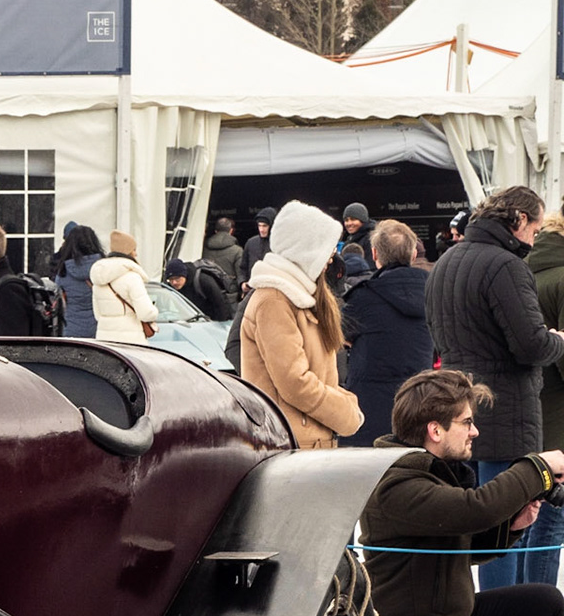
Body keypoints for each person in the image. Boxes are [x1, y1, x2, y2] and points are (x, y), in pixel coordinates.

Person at [365, 368, 564, 616]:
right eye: (467, 422)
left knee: (545, 604)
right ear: (435, 430)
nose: (474, 432)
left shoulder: (432, 473)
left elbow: (463, 544)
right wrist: (537, 467)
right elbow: (475, 510)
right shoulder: (397, 484)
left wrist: (512, 527)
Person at [426, 185, 564, 590]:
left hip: (457, 407)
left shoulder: (448, 260)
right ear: (519, 220)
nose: (535, 240)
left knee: (484, 523)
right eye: (535, 230)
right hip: (505, 412)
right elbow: (531, 344)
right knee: (505, 523)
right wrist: (558, 339)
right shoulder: (505, 265)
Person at [238, 202, 360, 449]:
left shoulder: (299, 298)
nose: (330, 259)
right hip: (291, 447)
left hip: (305, 444)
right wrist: (346, 412)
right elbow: (295, 383)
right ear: (306, 250)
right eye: (326, 249)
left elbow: (316, 378)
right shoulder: (273, 300)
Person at [342, 220, 433, 447]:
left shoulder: (363, 298)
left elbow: (340, 336)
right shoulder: (434, 294)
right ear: (413, 254)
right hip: (419, 404)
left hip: (368, 411)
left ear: (374, 254)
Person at [529, 215, 564, 616]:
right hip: (557, 416)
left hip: (526, 409)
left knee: (526, 512)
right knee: (552, 518)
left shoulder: (524, 268)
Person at [88, 230, 156, 344]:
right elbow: (146, 313)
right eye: (134, 249)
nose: (136, 254)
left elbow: (97, 314)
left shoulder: (98, 279)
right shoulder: (132, 277)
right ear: (128, 251)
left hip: (104, 338)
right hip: (130, 340)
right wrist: (154, 312)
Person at [52, 224, 102, 338]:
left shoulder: (63, 271)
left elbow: (59, 300)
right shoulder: (104, 268)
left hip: (72, 330)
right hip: (100, 329)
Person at [164, 257, 232, 321]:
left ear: (184, 275)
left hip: (215, 320)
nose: (174, 282)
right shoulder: (171, 287)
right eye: (170, 279)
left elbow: (221, 304)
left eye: (177, 278)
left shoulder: (204, 281)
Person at [201, 215, 244, 300]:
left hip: (206, 294)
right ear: (231, 230)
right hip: (230, 296)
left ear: (216, 231)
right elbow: (240, 275)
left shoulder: (202, 248)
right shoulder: (237, 251)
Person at [241, 206, 276, 285]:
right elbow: (243, 268)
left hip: (271, 288)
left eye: (264, 226)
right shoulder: (251, 243)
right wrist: (242, 282)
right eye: (259, 225)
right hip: (252, 288)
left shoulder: (278, 245)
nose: (261, 229)